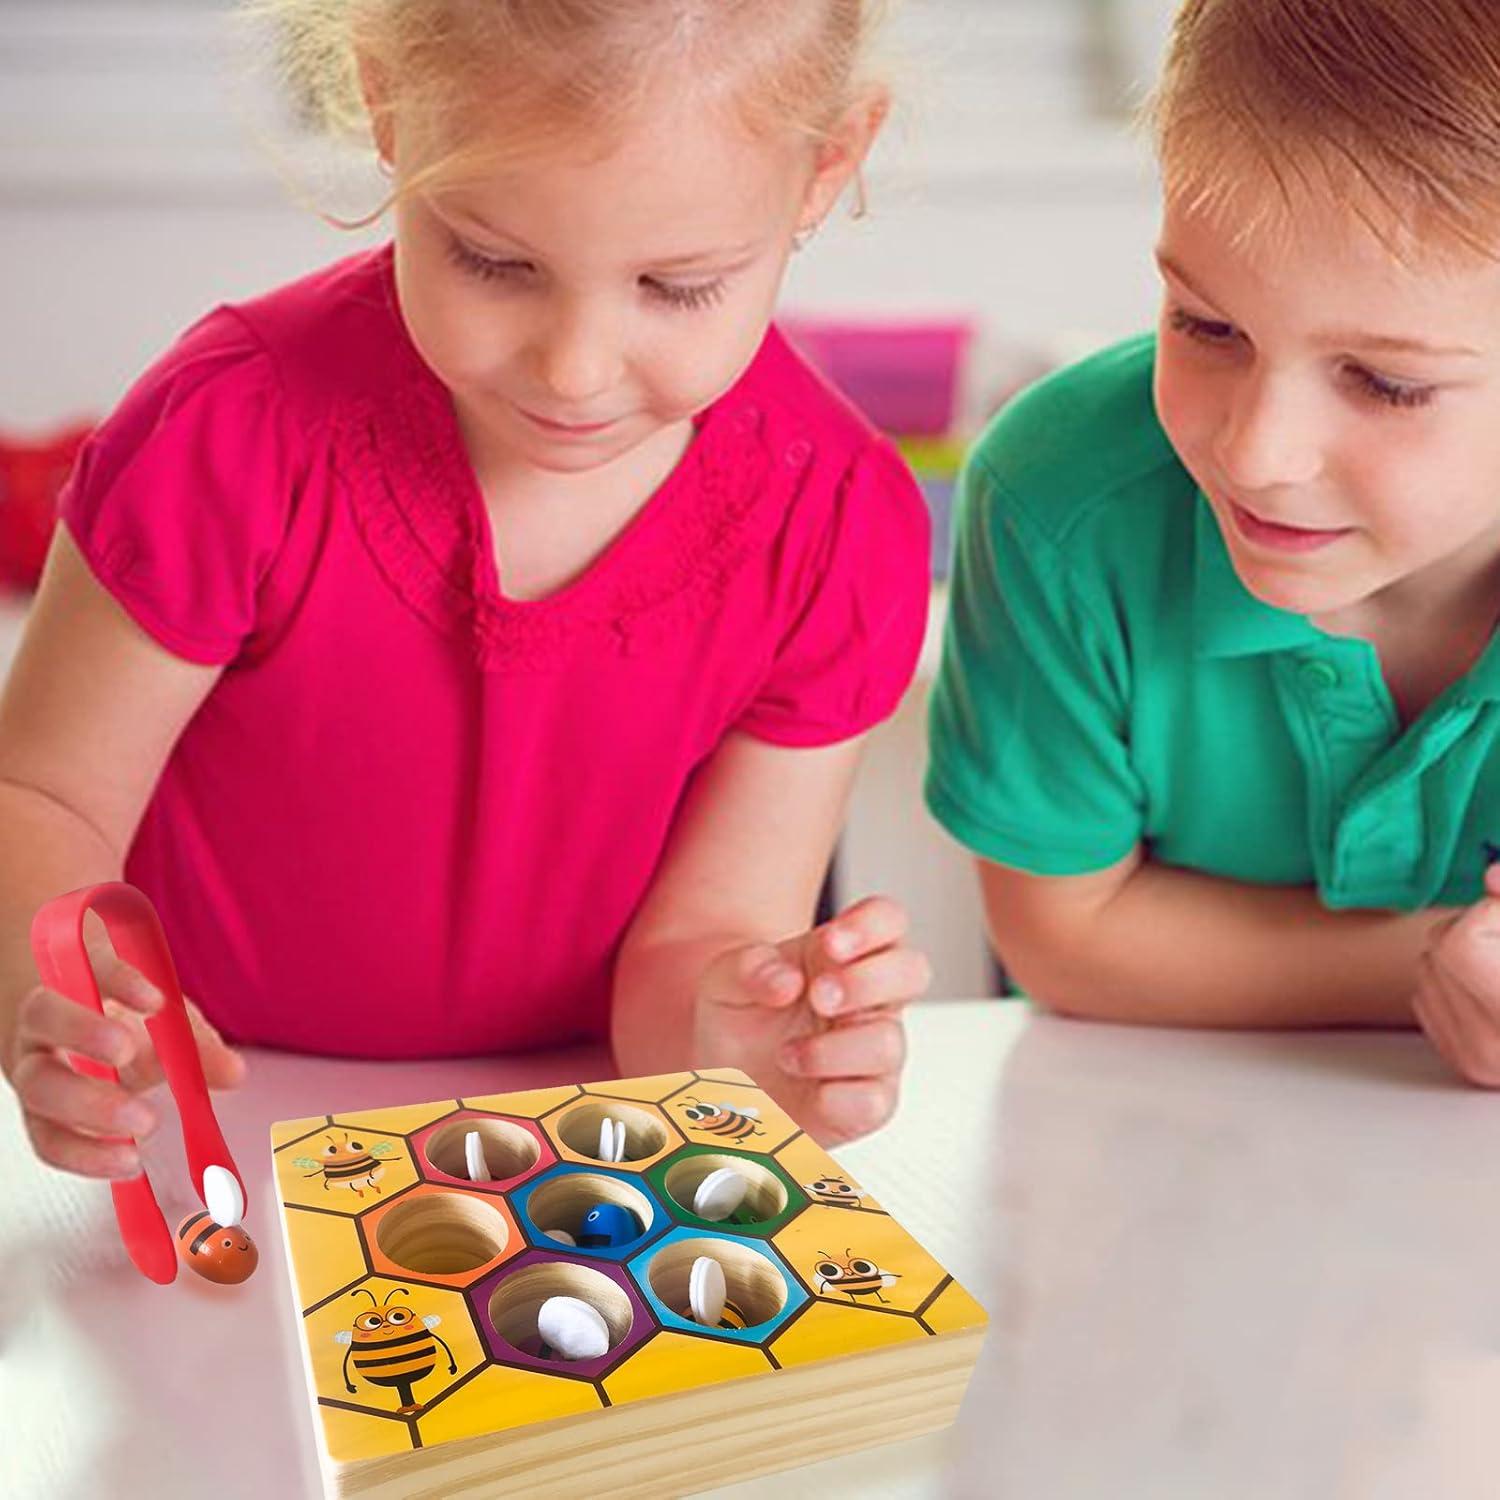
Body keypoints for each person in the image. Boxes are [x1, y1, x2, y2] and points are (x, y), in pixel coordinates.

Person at [0, 0, 934, 1178]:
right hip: (206, 1137)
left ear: (829, 165)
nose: (575, 370)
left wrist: (734, 1040)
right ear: (389, 106)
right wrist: (72, 1003)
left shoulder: (837, 526)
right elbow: (38, 797)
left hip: (565, 1163)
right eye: (494, 262)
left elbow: (696, 947)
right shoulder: (228, 434)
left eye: (679, 286)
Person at [927, 0, 1500, 1085]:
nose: (1257, 451)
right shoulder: (1058, 502)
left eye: (1389, 383)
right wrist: (1429, 964)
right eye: (1205, 324)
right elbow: (1065, 937)